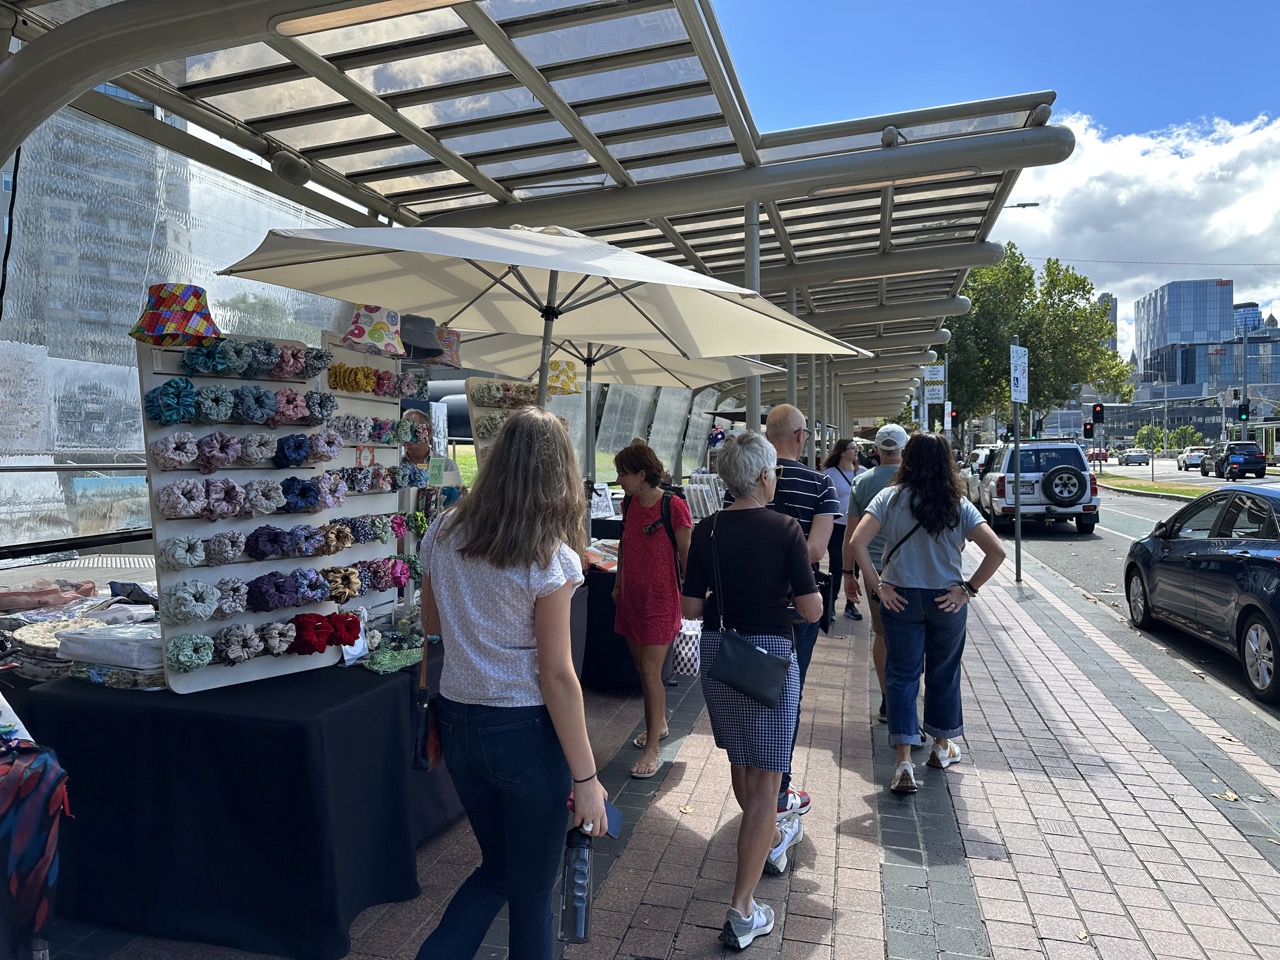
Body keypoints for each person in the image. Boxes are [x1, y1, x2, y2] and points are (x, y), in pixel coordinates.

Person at [416, 407, 606, 960]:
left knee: (498, 871)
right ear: (559, 473)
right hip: (524, 731)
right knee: (531, 894)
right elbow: (556, 676)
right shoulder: (550, 555)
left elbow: (432, 626)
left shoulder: (444, 529)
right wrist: (588, 777)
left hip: (458, 721)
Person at [682, 432, 822, 949]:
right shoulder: (786, 529)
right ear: (764, 475)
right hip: (767, 661)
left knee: (743, 765)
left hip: (721, 652)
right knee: (766, 784)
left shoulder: (707, 530)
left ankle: (762, 842)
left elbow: (690, 609)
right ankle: (743, 908)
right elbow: (812, 611)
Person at [846, 433, 1006, 795]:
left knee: (902, 676)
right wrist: (968, 589)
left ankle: (904, 758)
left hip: (900, 596)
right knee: (943, 673)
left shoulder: (890, 497)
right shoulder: (958, 504)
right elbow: (996, 551)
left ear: (908, 459)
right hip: (945, 601)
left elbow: (856, 541)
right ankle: (940, 746)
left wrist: (879, 587)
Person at [753, 404, 839, 820]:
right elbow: (818, 550)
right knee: (788, 695)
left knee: (749, 690)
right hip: (797, 605)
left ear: (769, 436)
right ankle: (779, 786)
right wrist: (789, 547)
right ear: (802, 436)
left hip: (749, 602)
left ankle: (756, 782)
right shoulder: (822, 484)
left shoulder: (749, 479)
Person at [612, 439, 692, 779]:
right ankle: (658, 724)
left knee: (649, 672)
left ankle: (652, 750)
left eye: (623, 473)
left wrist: (689, 595)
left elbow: (688, 555)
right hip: (631, 598)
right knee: (639, 666)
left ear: (642, 474)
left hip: (661, 601)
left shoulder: (673, 506)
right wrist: (618, 583)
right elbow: (625, 545)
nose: (619, 480)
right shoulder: (630, 505)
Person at [841, 424, 907, 721]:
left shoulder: (862, 481)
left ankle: (886, 699)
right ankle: (907, 697)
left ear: (877, 450)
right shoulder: (914, 481)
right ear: (904, 450)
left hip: (874, 572)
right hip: (910, 571)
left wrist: (847, 572)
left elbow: (851, 534)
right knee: (912, 637)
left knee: (882, 634)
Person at [821, 438, 865, 621]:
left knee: (855, 567)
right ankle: (830, 605)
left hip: (858, 526)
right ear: (842, 452)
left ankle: (850, 604)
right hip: (837, 527)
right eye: (852, 449)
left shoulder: (862, 473)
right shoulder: (829, 474)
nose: (856, 452)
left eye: (857, 449)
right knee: (837, 566)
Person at [402, 405, 465, 506]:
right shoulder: (395, 465)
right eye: (402, 430)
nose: (405, 435)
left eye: (411, 429)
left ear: (427, 432)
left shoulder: (448, 466)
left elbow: (458, 505)